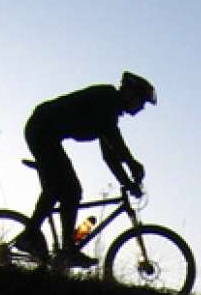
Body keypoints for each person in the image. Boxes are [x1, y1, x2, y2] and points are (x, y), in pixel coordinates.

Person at [16, 71, 157, 267]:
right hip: (42, 129)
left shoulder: (108, 113)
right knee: (68, 190)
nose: (141, 108)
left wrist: (127, 183)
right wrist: (132, 163)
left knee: (65, 190)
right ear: (130, 94)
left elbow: (109, 156)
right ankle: (44, 242)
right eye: (141, 102)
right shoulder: (106, 99)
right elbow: (114, 139)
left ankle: (60, 247)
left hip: (45, 132)